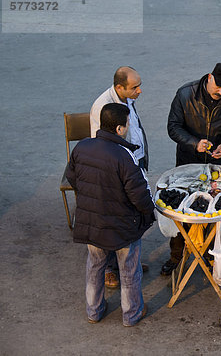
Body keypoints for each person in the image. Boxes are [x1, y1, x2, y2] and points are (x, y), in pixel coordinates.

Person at [65, 103, 155, 326]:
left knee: (95, 266)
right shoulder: (125, 156)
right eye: (126, 124)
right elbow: (140, 196)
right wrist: (149, 213)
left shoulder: (82, 147)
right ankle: (131, 314)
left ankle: (93, 311)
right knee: (129, 271)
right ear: (118, 129)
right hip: (122, 226)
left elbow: (72, 177)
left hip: (91, 222)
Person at [162, 63, 221, 276]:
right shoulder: (185, 94)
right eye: (218, 86)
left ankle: (212, 256)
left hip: (218, 166)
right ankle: (177, 256)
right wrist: (193, 142)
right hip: (187, 163)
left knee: (216, 213)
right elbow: (173, 127)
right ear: (209, 77)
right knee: (181, 210)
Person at [90, 66, 150, 288]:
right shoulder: (102, 107)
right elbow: (102, 145)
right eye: (135, 87)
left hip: (133, 163)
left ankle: (127, 262)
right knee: (113, 218)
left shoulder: (127, 100)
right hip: (118, 171)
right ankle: (108, 269)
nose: (139, 91)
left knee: (129, 216)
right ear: (119, 87)